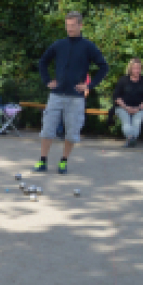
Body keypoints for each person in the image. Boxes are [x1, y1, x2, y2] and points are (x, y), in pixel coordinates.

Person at [35, 11, 109, 174]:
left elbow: (103, 67)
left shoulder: (88, 46)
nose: (69, 29)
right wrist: (48, 81)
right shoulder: (59, 44)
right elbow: (43, 62)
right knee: (47, 129)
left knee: (71, 132)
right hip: (56, 95)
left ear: (80, 25)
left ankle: (63, 161)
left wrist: (89, 86)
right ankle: (42, 161)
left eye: (73, 25)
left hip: (75, 97)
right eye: (67, 25)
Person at [113, 58, 143, 147]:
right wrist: (126, 107)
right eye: (135, 68)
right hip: (123, 107)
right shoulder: (123, 80)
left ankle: (130, 140)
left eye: (139, 68)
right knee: (126, 121)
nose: (137, 70)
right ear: (130, 69)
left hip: (140, 108)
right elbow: (116, 97)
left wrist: (138, 108)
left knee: (136, 122)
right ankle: (131, 139)